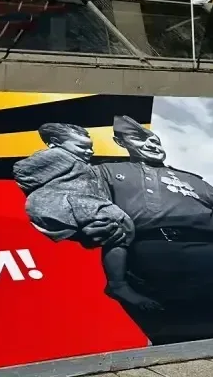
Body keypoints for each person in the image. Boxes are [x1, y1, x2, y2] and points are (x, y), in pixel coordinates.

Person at [88, 115, 213, 344]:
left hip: (210, 253)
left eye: (155, 140)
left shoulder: (192, 180)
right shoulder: (106, 171)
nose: (151, 144)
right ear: (120, 142)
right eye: (139, 138)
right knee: (177, 327)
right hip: (151, 255)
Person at [12, 123, 155, 309]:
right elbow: (22, 171)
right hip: (66, 203)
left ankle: (122, 275)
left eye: (90, 147)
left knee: (119, 229)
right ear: (55, 143)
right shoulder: (58, 155)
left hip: (83, 204)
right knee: (120, 224)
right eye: (82, 147)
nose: (90, 151)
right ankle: (118, 285)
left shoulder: (77, 161)